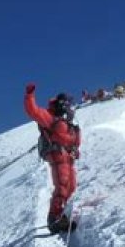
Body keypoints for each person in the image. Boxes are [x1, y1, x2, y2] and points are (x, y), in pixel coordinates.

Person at [24, 83, 81, 233]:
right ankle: (54, 219)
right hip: (58, 155)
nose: (69, 107)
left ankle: (61, 214)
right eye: (67, 104)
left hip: (68, 158)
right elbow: (33, 111)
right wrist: (30, 95)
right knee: (62, 186)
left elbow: (75, 143)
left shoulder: (70, 125)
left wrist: (75, 151)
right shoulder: (52, 118)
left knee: (71, 186)